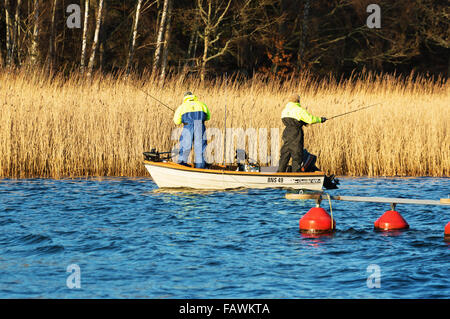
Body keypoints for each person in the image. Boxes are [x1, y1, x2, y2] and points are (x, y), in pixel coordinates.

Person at [277, 94, 327, 172]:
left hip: (286, 133)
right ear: (298, 101)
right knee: (296, 154)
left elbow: (292, 120)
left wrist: (302, 122)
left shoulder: (284, 110)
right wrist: (321, 119)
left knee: (285, 154)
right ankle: (296, 173)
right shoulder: (299, 110)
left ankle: (280, 172)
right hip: (296, 133)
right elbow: (310, 119)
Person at [173, 91, 211, 168]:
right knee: (201, 148)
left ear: (185, 97)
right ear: (193, 96)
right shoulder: (202, 105)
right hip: (200, 126)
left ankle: (182, 165)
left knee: (185, 147)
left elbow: (176, 121)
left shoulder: (182, 106)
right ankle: (201, 167)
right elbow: (208, 117)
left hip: (188, 127)